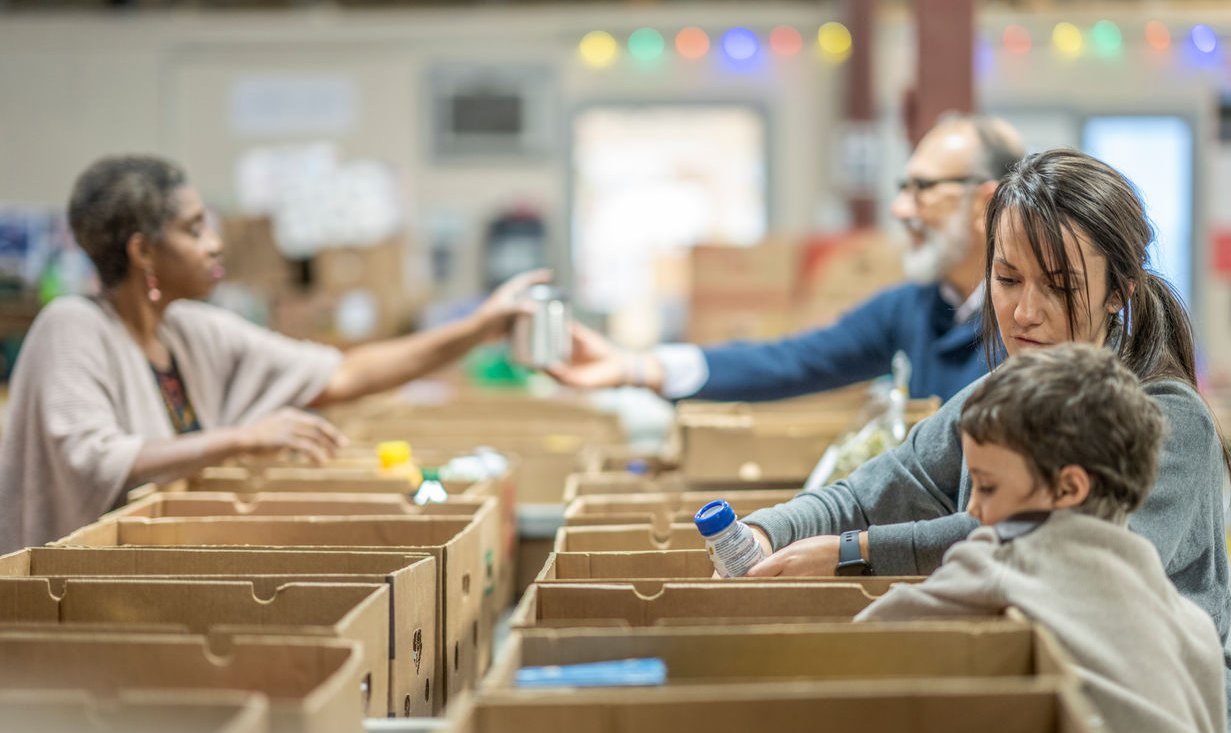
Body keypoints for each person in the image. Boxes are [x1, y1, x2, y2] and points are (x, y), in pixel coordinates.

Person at [739, 148, 1231, 733]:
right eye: (1006, 277)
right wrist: (764, 532)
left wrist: (855, 553)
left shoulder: (1164, 422)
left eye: (1058, 285)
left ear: (1120, 291)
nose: (1024, 311)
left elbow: (1051, 551)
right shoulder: (993, 402)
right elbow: (870, 491)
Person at [0, 155, 546, 554]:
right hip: (65, 589)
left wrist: (479, 328)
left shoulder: (192, 332)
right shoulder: (72, 327)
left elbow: (344, 373)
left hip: (147, 571)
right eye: (194, 230)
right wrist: (242, 438)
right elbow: (95, 458)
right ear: (142, 251)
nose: (215, 244)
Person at [856, 343, 1231, 733]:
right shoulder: (1171, 602)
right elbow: (1204, 722)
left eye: (986, 487)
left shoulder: (1007, 551)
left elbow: (879, 632)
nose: (973, 509)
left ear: (1068, 488)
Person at [548, 113, 1024, 402]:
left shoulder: (1031, 322)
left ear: (985, 204)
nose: (900, 210)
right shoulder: (913, 307)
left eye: (922, 189)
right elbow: (793, 360)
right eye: (902, 189)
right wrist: (635, 368)